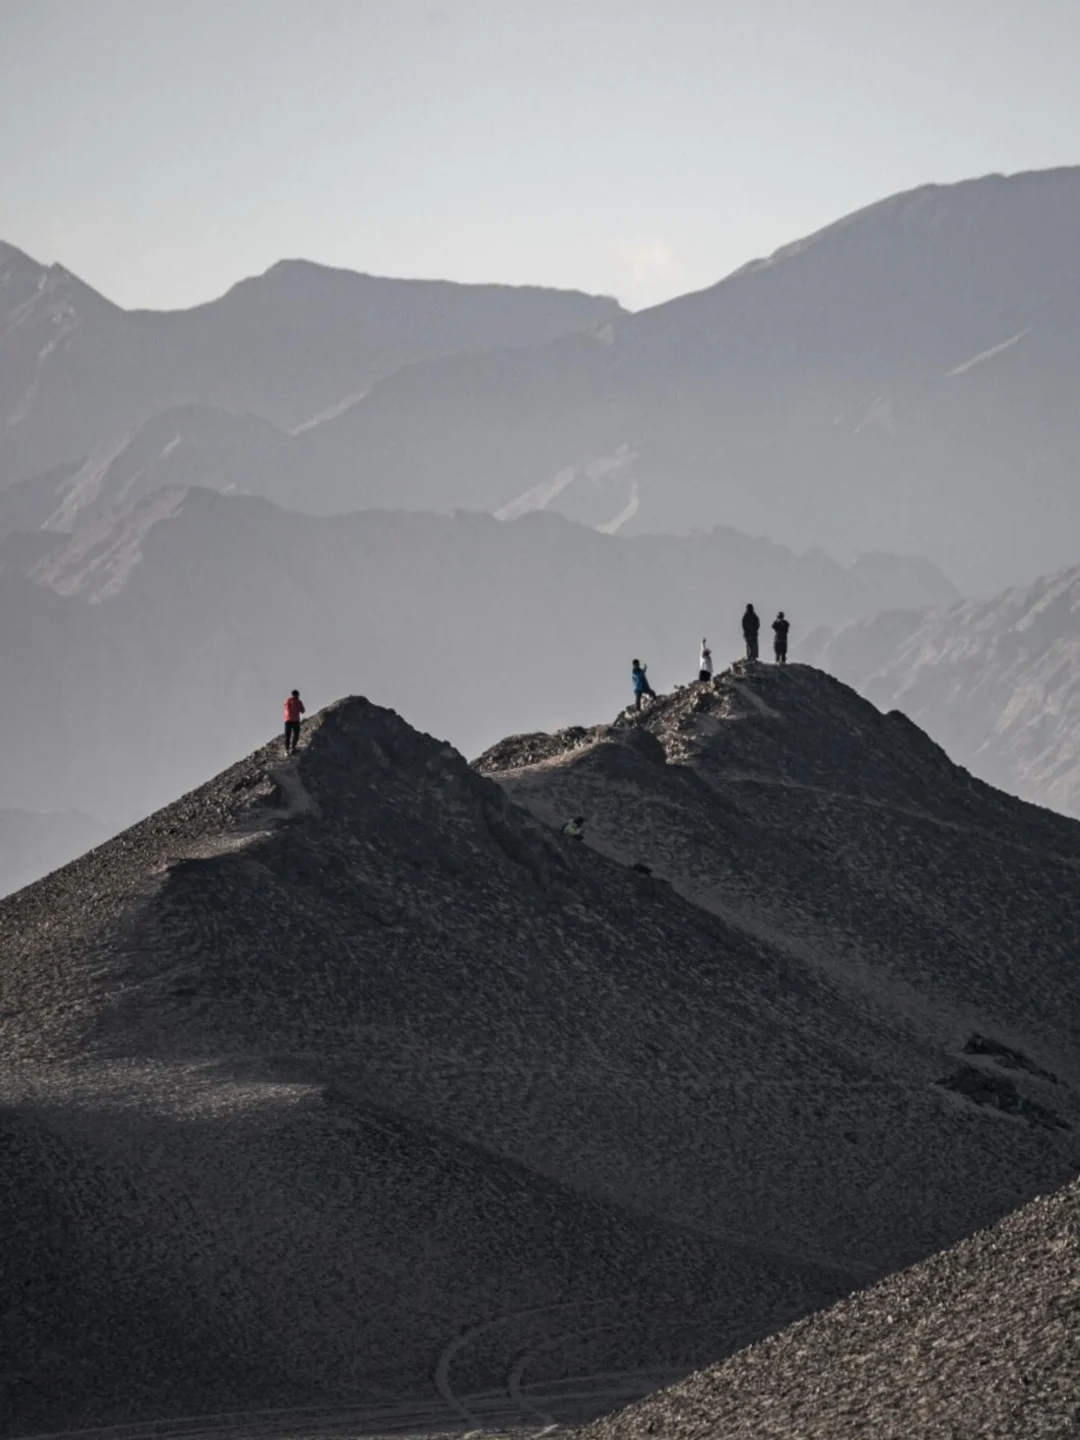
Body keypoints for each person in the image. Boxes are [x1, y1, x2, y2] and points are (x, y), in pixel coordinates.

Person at [283, 689, 305, 754]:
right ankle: (293, 748)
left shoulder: (287, 701)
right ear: (297, 695)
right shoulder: (298, 702)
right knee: (296, 734)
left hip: (287, 720)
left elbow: (285, 709)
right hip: (295, 721)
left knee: (287, 736)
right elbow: (303, 711)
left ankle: (286, 750)